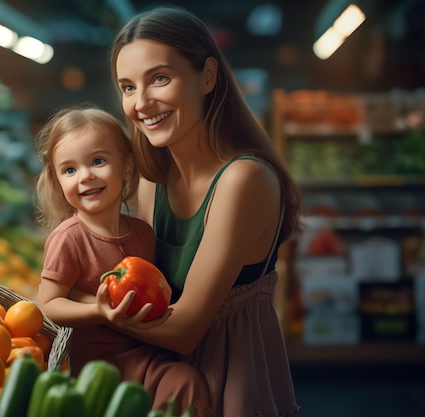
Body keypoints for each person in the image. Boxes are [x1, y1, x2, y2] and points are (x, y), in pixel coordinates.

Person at [100, 5, 304, 417]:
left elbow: (185, 330)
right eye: (127, 87)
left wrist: (84, 309)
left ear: (207, 76)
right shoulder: (152, 181)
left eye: (160, 78)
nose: (141, 103)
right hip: (167, 383)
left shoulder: (244, 180)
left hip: (232, 381)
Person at [34, 103, 211, 416]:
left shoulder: (143, 233)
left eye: (98, 161)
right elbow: (48, 304)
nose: (85, 176)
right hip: (98, 367)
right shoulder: (69, 238)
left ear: (127, 167)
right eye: (70, 170)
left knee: (187, 382)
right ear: (58, 180)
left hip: (149, 353)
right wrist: (100, 311)